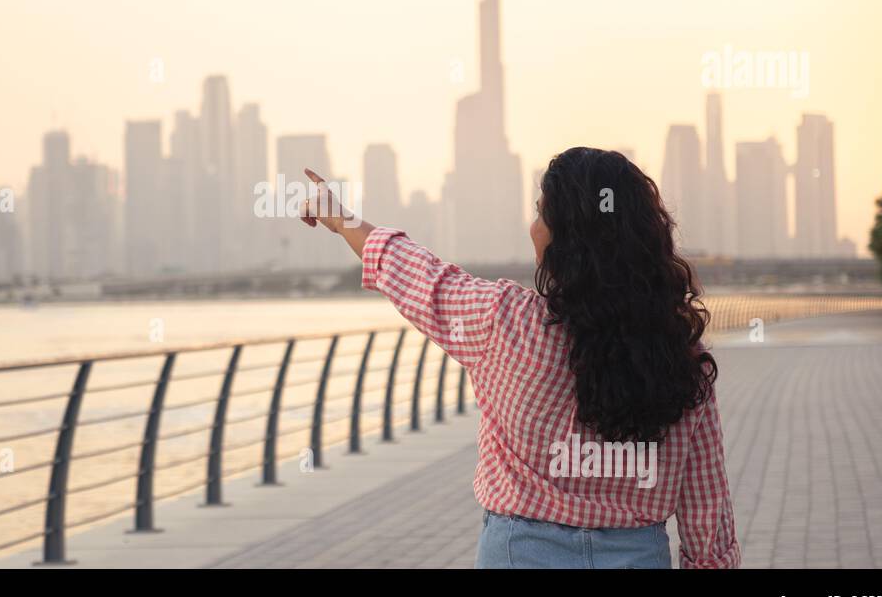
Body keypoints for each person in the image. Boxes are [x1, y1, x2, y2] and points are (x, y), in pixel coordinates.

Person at [297, 148, 740, 568]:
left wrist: (340, 217)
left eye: (541, 213)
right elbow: (707, 512)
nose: (533, 226)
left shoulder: (504, 321)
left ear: (567, 237)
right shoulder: (679, 353)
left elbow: (413, 271)